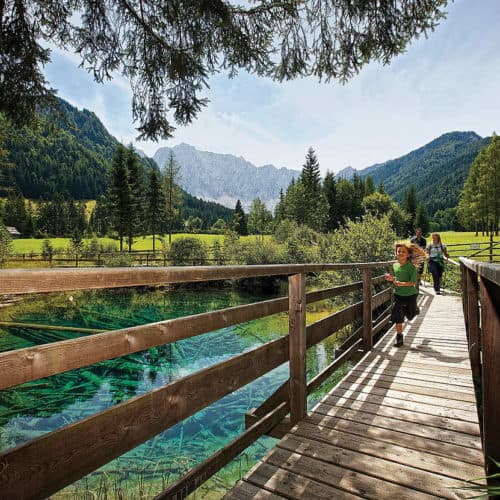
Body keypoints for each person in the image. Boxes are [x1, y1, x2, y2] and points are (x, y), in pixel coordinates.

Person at [385, 243, 422, 347]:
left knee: (410, 316)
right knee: (398, 317)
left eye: (403, 251)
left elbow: (413, 282)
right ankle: (399, 338)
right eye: (399, 251)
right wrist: (391, 279)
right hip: (398, 294)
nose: (400, 253)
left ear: (408, 255)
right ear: (396, 253)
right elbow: (397, 278)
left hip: (410, 295)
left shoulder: (411, 267)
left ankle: (414, 309)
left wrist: (401, 283)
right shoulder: (395, 265)